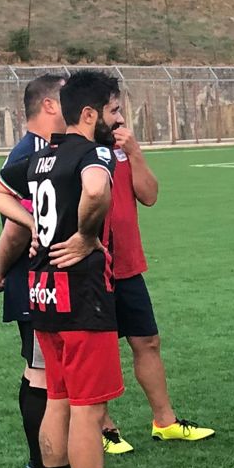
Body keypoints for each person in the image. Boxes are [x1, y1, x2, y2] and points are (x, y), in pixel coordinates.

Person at [0, 69, 153, 468]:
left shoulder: (40, 156)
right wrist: (86, 235)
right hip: (82, 296)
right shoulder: (93, 153)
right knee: (87, 409)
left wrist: (34, 226)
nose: (118, 121)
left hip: (43, 293)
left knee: (57, 400)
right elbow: (96, 190)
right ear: (90, 114)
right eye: (113, 111)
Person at [0, 72, 63, 468]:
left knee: (38, 370)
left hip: (33, 276)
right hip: (36, 279)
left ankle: (39, 462)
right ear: (49, 105)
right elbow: (15, 227)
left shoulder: (38, 149)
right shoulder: (34, 153)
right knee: (42, 373)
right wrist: (2, 267)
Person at [91, 117, 212, 449]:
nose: (119, 119)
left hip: (128, 266)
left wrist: (135, 153)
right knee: (98, 350)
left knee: (148, 342)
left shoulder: (121, 151)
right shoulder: (79, 152)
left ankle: (165, 421)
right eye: (112, 111)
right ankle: (102, 427)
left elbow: (149, 196)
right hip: (92, 269)